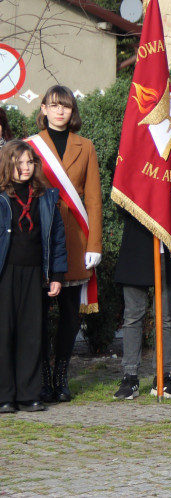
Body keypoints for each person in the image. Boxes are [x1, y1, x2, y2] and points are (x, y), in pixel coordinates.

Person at [29, 85, 102, 403]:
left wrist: (95, 243)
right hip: (38, 238)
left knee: (71, 314)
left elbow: (94, 199)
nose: (60, 111)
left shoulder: (85, 146)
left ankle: (61, 376)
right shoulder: (29, 146)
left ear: (73, 112)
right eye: (54, 106)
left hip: (74, 238)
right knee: (39, 313)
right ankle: (44, 377)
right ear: (43, 109)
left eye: (66, 107)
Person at [111, 161, 171, 400]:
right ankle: (130, 377)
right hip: (137, 244)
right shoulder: (130, 160)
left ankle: (163, 376)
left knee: (166, 316)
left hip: (167, 246)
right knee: (133, 315)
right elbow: (121, 202)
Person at [0, 141, 66, 413]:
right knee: (4, 334)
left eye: (29, 163)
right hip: (5, 273)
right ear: (8, 165)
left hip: (34, 273)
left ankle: (28, 394)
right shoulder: (2, 195)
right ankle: (4, 395)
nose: (25, 168)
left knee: (31, 334)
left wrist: (56, 274)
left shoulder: (45, 197)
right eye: (19, 163)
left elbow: (58, 238)